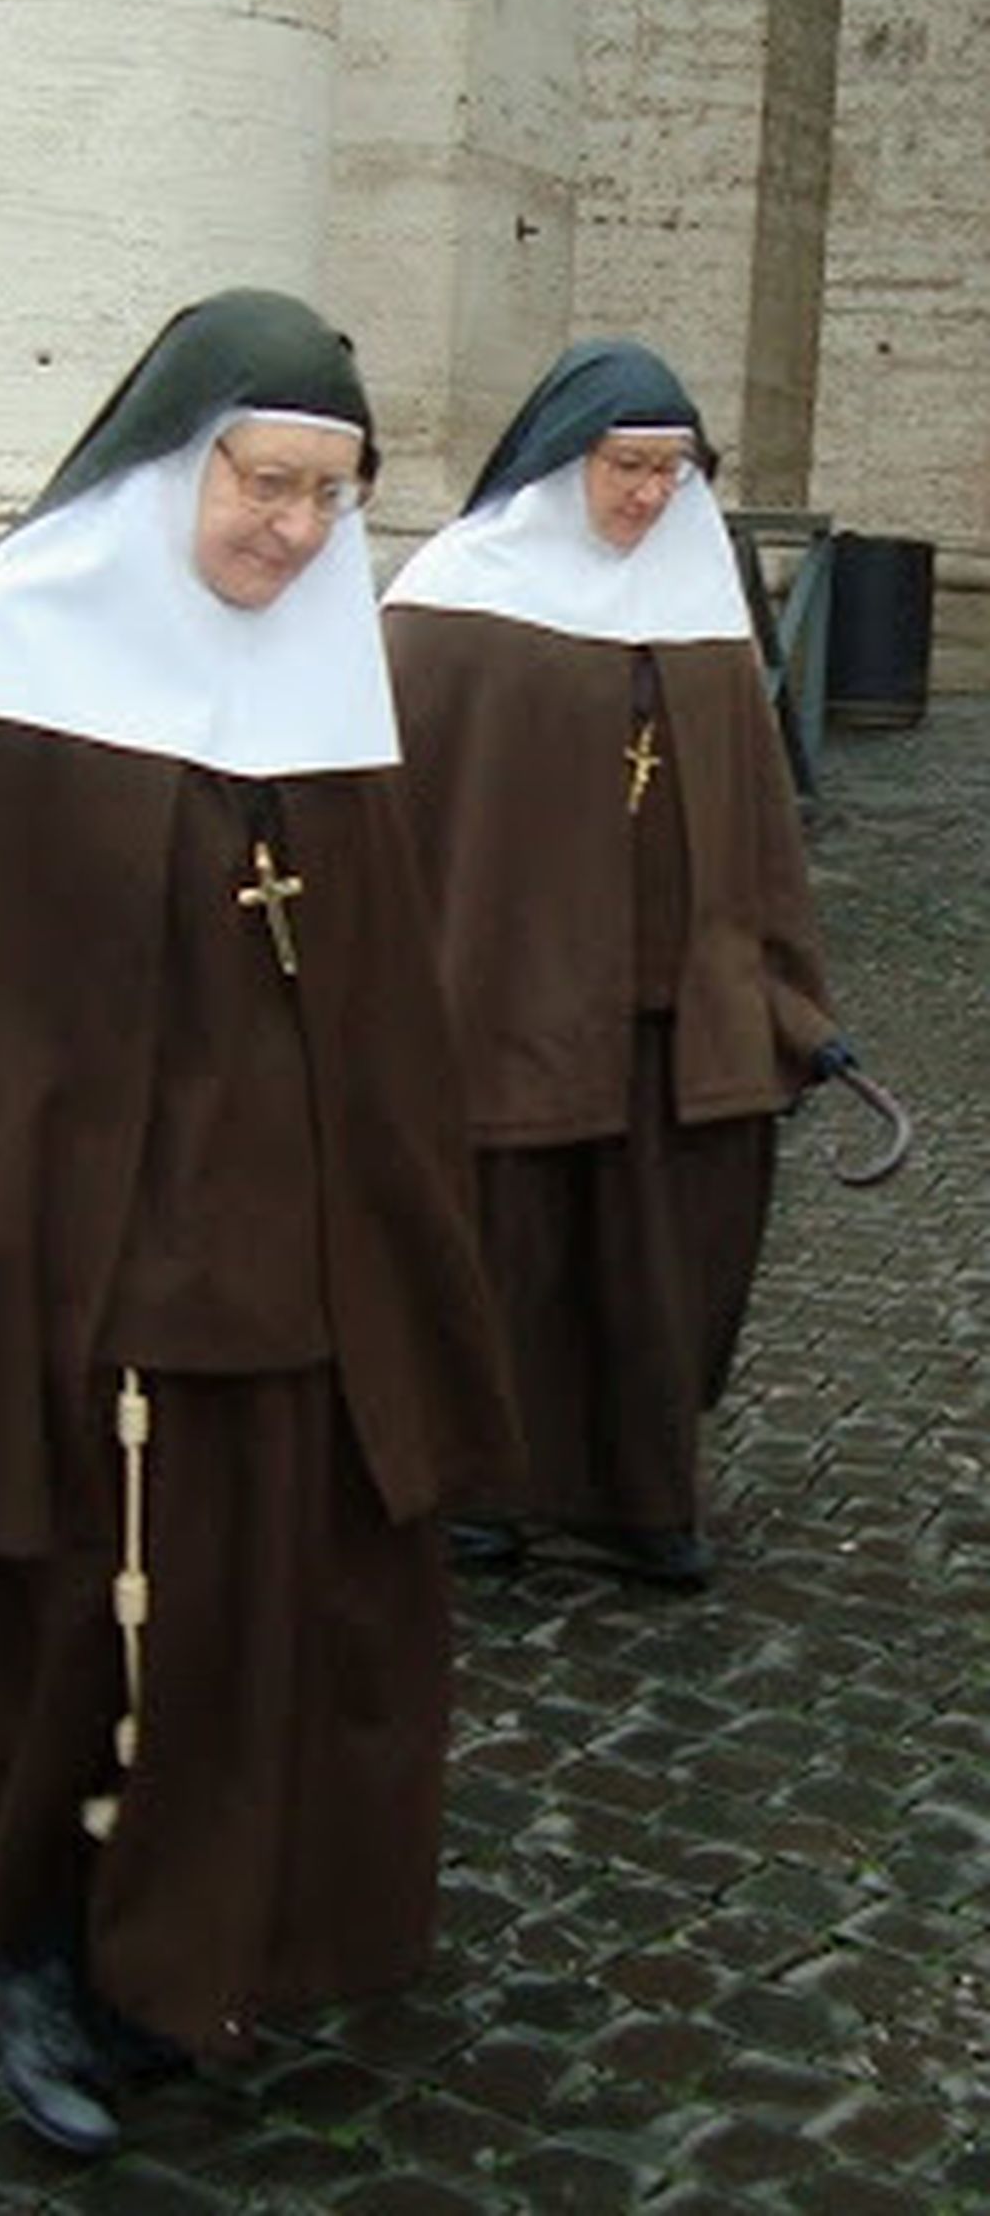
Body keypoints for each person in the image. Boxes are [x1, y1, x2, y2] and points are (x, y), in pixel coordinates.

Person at [0, 288, 519, 2157]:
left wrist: (382, 1239)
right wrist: (6, 1239)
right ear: (169, 466)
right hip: (49, 1269)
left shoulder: (322, 677)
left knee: (254, 1609)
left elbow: (379, 1020)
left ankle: (192, 1936)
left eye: (327, 496)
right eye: (262, 484)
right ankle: (31, 1946)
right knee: (58, 1622)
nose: (292, 533)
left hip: (280, 1265)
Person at [382, 337, 852, 1590]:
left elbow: (760, 839)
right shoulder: (451, 600)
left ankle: (642, 1494)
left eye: (670, 471)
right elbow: (393, 821)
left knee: (663, 1260)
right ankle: (476, 1491)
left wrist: (788, 1001)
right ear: (560, 462)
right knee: (504, 1256)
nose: (648, 496)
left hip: (671, 1010)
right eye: (623, 467)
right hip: (504, 998)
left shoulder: (698, 607)